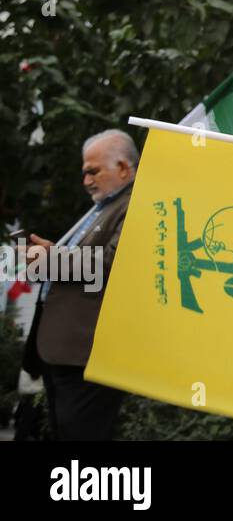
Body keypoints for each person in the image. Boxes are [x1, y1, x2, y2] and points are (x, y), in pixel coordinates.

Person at [22, 129, 137, 440]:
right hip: (64, 352)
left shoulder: (136, 206)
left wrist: (51, 258)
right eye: (84, 172)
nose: (86, 180)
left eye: (93, 171)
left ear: (124, 168)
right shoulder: (104, 206)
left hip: (89, 354)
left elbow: (112, 267)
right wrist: (41, 258)